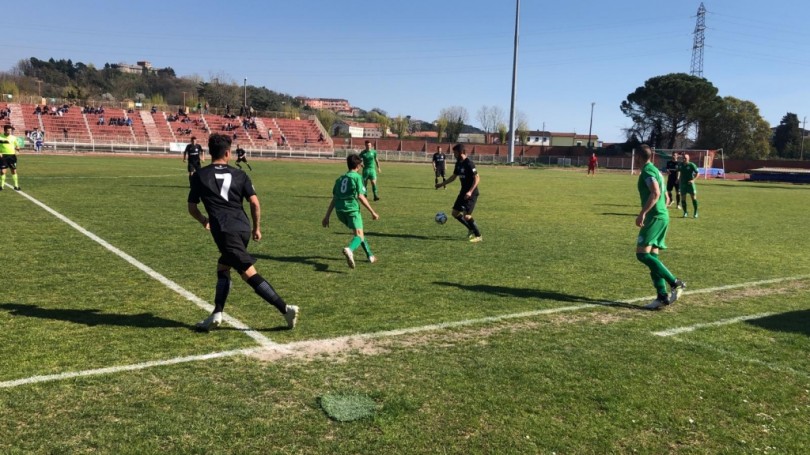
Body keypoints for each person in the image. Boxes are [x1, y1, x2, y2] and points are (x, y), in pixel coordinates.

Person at [187, 133, 298, 331]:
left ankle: (285, 309)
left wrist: (204, 220)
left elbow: (192, 207)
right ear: (227, 153)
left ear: (210, 152)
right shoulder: (240, 174)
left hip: (224, 230)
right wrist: (256, 228)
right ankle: (217, 313)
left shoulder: (200, 176)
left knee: (247, 273)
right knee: (223, 266)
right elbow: (254, 203)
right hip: (243, 227)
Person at [634, 144, 686, 310]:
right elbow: (666, 196)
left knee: (642, 255)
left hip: (655, 217)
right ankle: (662, 297)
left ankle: (675, 282)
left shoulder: (647, 171)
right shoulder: (656, 170)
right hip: (661, 215)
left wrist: (643, 213)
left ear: (639, 157)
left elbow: (656, 192)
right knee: (652, 258)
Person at [322, 154, 379, 268]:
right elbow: (361, 196)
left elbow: (335, 198)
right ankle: (350, 249)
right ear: (358, 166)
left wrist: (327, 216)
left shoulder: (340, 179)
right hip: (351, 209)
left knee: (359, 233)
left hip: (340, 211)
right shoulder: (357, 177)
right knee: (359, 236)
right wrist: (372, 212)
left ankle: (370, 256)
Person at [436, 144, 482, 243]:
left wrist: (470, 191)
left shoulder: (469, 163)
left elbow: (477, 178)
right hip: (463, 192)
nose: (454, 155)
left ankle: (478, 236)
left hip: (472, 193)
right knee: (455, 213)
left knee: (467, 216)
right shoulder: (458, 163)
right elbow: (453, 177)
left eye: (455, 153)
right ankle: (470, 229)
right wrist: (441, 184)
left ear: (460, 152)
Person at [0, 125, 21, 191]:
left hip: (12, 156)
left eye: (10, 131)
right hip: (3, 156)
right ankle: (1, 186)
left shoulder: (13, 138)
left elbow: (17, 146)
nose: (9, 132)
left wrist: (17, 151)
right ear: (4, 130)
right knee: (3, 171)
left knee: (13, 170)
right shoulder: (0, 137)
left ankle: (16, 186)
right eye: (8, 130)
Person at [679, 153, 700, 218]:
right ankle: (685, 212)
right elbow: (679, 171)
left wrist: (693, 180)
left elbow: (698, 173)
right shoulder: (680, 165)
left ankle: (695, 212)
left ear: (688, 159)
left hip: (690, 184)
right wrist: (678, 179)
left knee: (693, 198)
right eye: (683, 158)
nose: (684, 159)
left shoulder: (691, 165)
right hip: (683, 184)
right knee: (683, 198)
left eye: (685, 158)